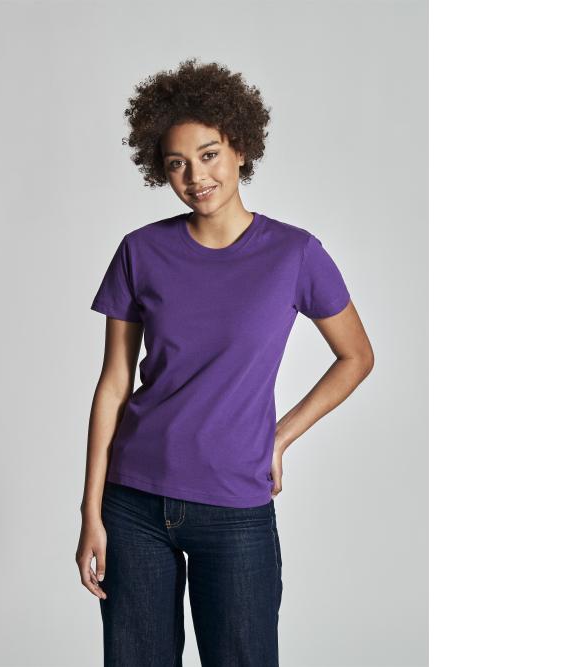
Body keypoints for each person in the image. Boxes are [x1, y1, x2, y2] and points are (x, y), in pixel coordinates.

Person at [75, 58, 375, 666]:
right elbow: (113, 384)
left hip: (235, 506)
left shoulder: (295, 254)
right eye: (176, 163)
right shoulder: (141, 251)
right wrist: (90, 511)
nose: (196, 176)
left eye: (209, 155)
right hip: (132, 503)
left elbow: (356, 357)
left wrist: (279, 437)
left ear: (240, 147)